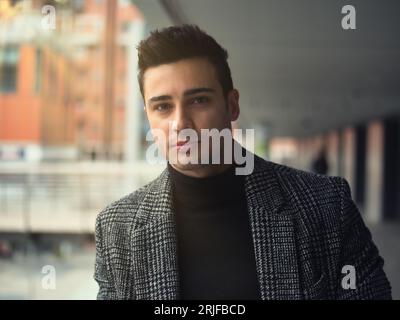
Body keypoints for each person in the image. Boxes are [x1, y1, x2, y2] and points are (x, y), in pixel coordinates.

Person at [94, 25, 391, 300]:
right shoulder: (116, 229)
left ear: (232, 105)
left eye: (198, 100)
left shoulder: (326, 206)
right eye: (162, 106)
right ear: (148, 115)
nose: (180, 123)